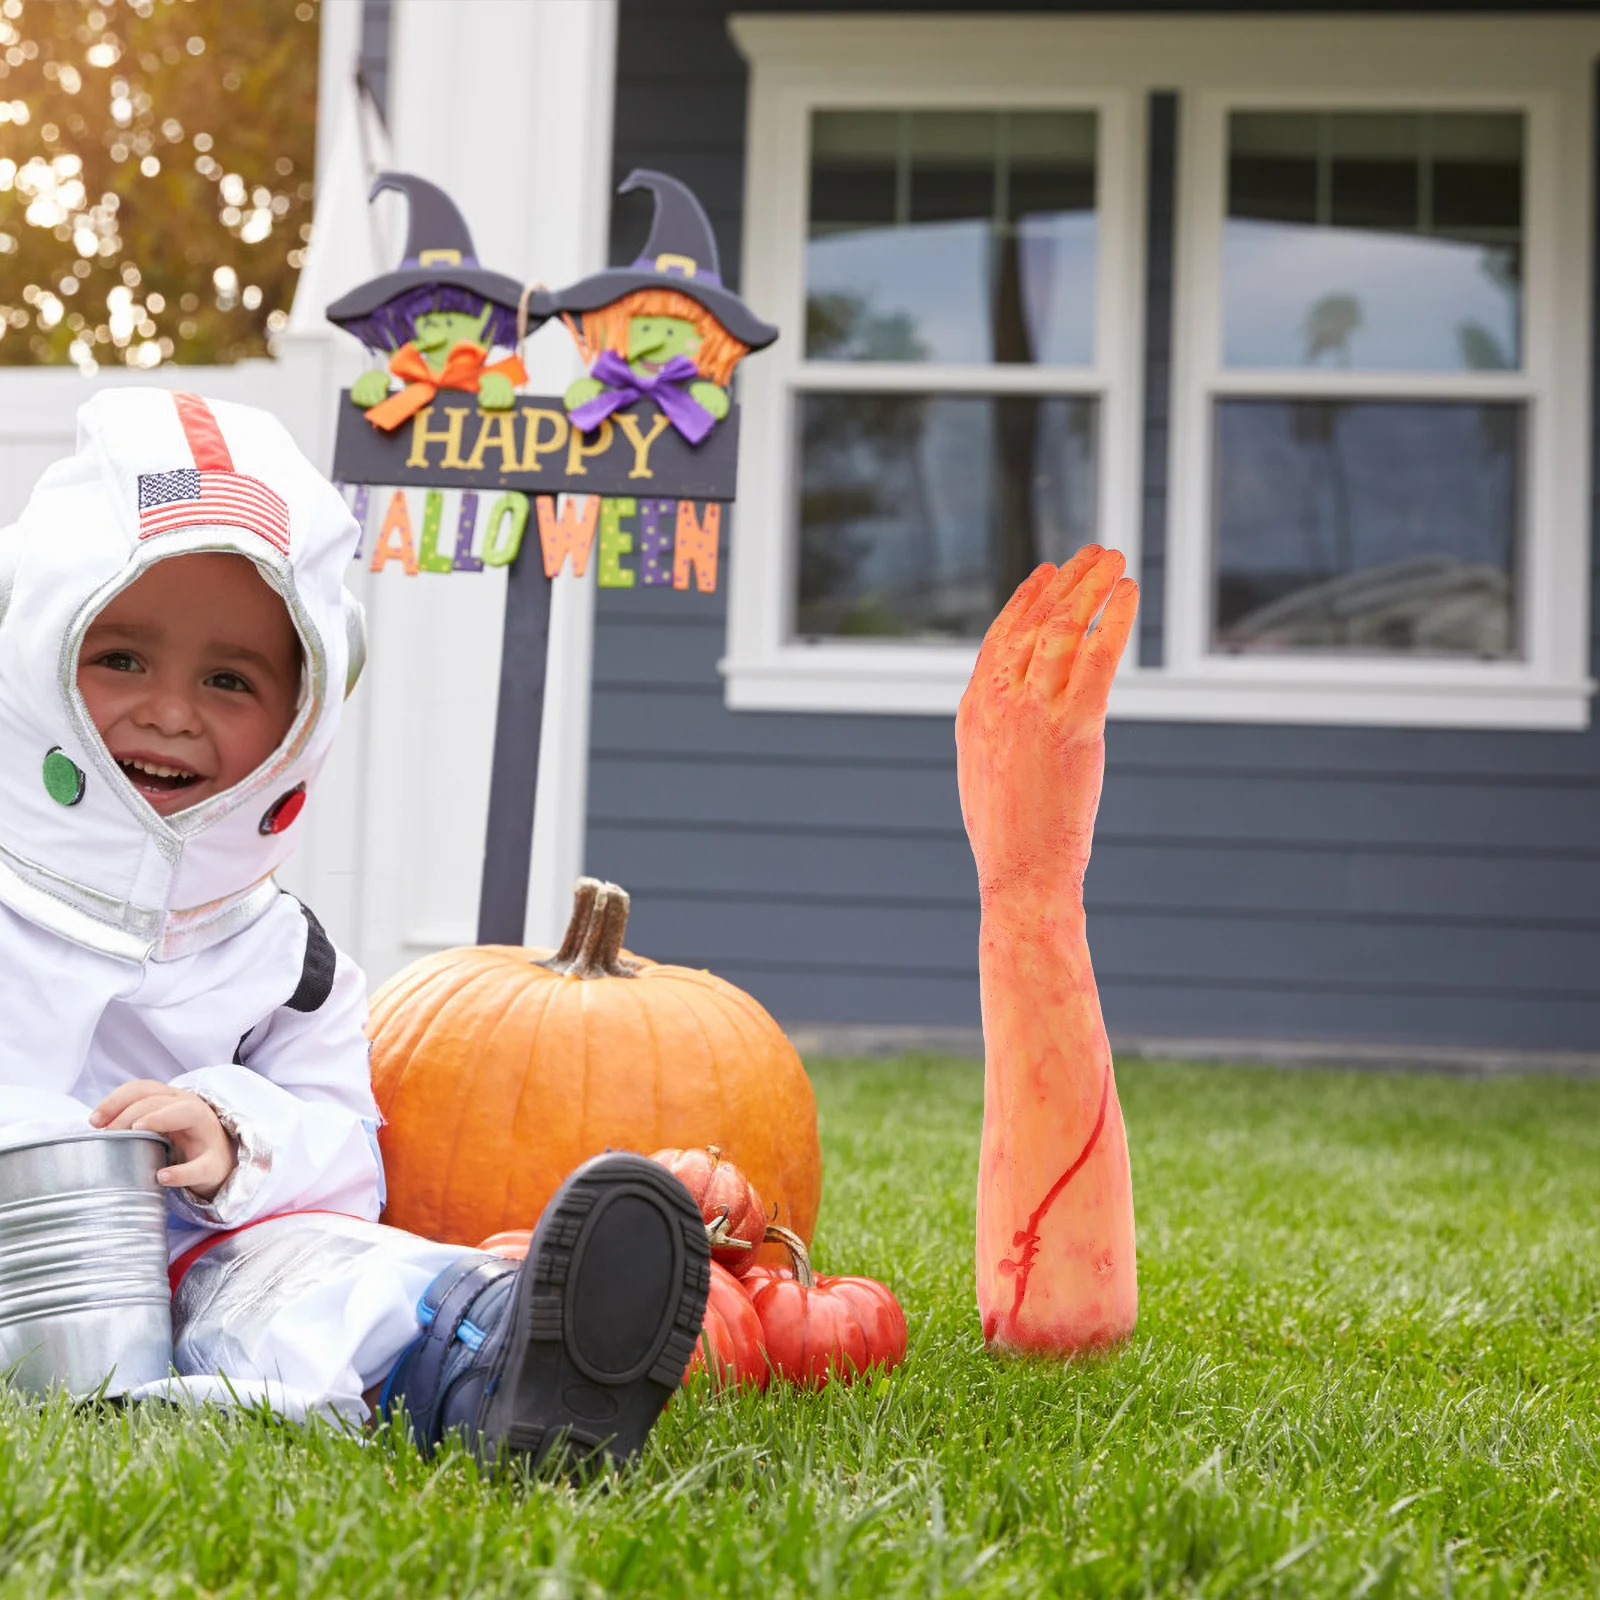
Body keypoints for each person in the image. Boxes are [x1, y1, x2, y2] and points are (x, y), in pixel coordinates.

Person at [0, 387, 710, 1465]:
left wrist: (231, 1124)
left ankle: (493, 1352)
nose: (173, 709)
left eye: (230, 678)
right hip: (27, 1242)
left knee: (326, 1273)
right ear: (34, 658)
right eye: (122, 658)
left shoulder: (290, 961)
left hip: (204, 1259)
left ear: (301, 722)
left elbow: (347, 1159)